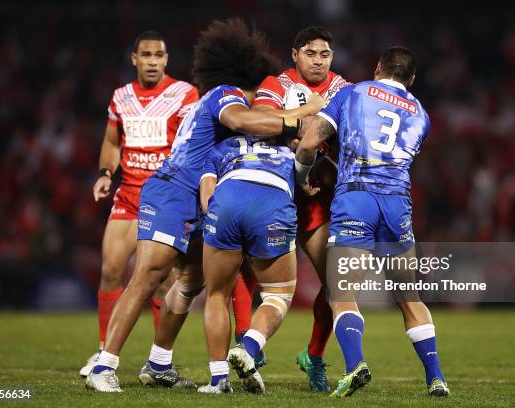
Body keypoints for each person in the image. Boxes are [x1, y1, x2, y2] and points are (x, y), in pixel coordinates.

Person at [85, 18, 305, 393]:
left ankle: (158, 364)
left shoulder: (222, 98)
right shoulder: (227, 95)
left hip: (200, 197)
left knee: (188, 284)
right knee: (148, 276)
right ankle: (103, 366)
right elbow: (243, 120)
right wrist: (293, 123)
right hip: (173, 190)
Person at [295, 46, 450, 398]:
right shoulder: (422, 115)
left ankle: (355, 366)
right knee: (409, 296)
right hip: (397, 204)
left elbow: (308, 144)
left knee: (341, 291)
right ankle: (436, 377)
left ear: (378, 67)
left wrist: (304, 177)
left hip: (356, 199)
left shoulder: (353, 93)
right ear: (411, 79)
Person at [231, 26, 350, 391]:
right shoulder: (277, 82)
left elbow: (345, 132)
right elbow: (261, 119)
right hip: (274, 194)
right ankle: (247, 343)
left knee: (336, 280)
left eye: (324, 54)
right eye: (311, 53)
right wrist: (310, 115)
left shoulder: (343, 89)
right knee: (245, 273)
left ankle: (314, 356)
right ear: (295, 54)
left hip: (316, 201)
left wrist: (296, 125)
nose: (318, 60)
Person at [80, 30, 199, 377]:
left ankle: (160, 361)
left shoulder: (183, 94)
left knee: (162, 282)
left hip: (165, 198)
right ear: (134, 59)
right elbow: (111, 142)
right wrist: (105, 172)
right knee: (110, 271)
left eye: (158, 56)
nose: (152, 61)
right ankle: (103, 350)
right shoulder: (121, 98)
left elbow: (190, 143)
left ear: (166, 60)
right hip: (129, 195)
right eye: (145, 55)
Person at [197, 134, 298, 394]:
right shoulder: (290, 144)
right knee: (278, 295)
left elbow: (207, 199)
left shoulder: (219, 148)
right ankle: (248, 348)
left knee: (217, 295)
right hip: (272, 200)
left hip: (227, 199)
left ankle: (218, 380)